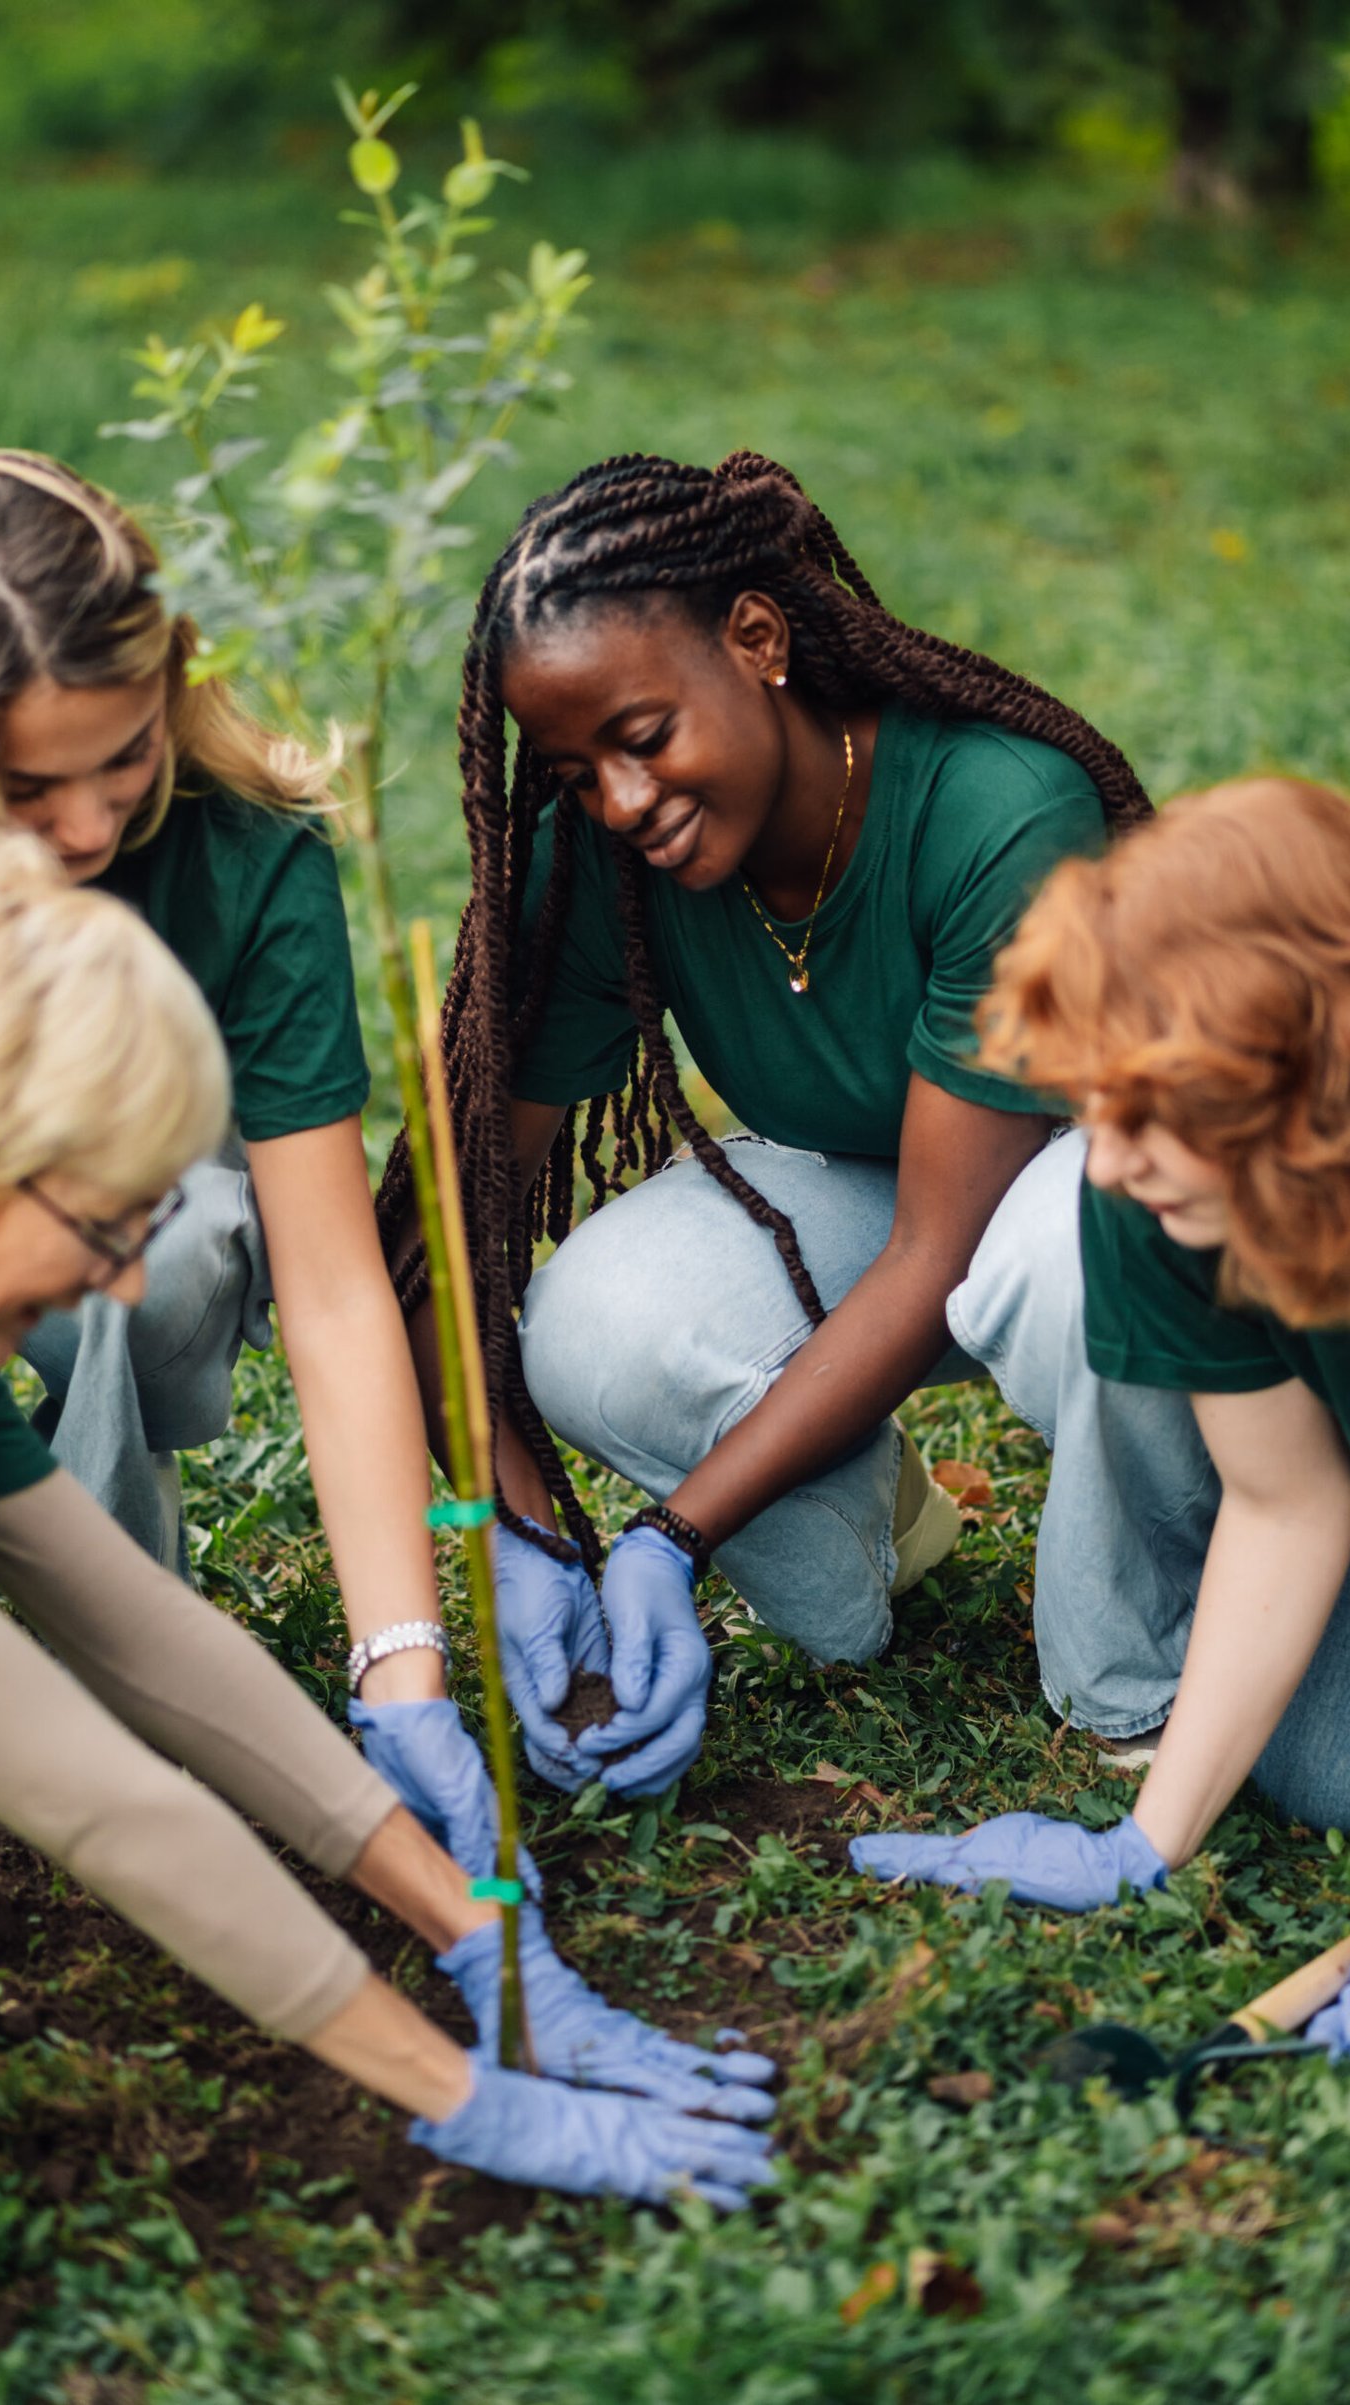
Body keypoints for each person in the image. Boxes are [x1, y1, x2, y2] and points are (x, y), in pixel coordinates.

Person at [0, 838, 776, 2208]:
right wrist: (456, 2090)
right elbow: (96, 1798)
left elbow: (136, 1627)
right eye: (105, 1231)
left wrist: (478, 1936)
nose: (114, 1287)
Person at [377, 448, 1151, 1798]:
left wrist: (668, 1538)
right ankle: (886, 1520)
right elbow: (450, 1231)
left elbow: (944, 1252)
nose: (619, 800)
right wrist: (529, 1535)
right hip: (876, 1195)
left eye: (643, 735)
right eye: (572, 770)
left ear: (757, 638)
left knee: (1058, 1265)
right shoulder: (604, 860)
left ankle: (1135, 1669)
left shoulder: (997, 811)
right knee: (593, 1326)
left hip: (1105, 1223)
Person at [0, 449, 514, 1875]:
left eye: (125, 760)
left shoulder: (240, 853)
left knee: (148, 1286)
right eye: (28, 788)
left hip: (17, 1266)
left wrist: (404, 1666)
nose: (90, 830)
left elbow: (331, 1290)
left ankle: (84, 1598)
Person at [849, 777, 1350, 2128]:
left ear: (1309, 1079)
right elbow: (1283, 1504)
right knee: (1326, 1771)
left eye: (1142, 1115)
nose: (1101, 1166)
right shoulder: (1154, 1186)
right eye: (1090, 1108)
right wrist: (1146, 1843)